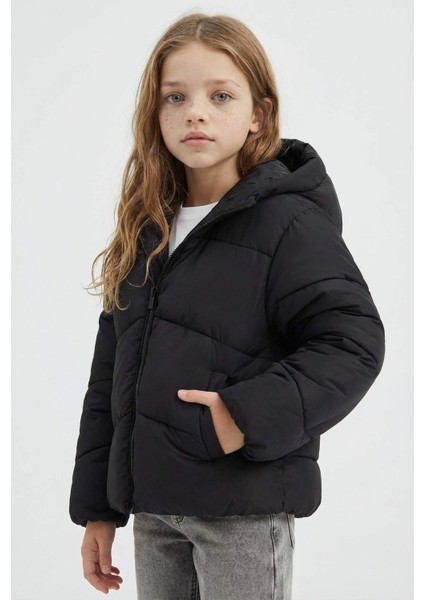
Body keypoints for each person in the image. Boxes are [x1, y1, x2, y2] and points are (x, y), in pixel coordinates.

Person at [69, 11, 386, 600]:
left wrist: (242, 417)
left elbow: (353, 343)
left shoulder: (288, 222)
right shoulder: (147, 229)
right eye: (175, 97)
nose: (196, 112)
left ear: (258, 114)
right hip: (154, 512)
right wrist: (97, 508)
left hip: (243, 512)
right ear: (155, 112)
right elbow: (109, 377)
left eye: (220, 96)